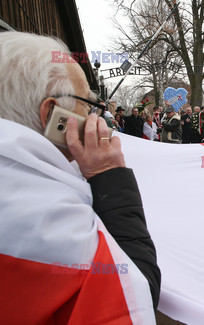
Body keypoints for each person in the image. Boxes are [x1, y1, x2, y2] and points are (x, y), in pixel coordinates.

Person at [0, 31, 159, 322]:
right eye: (87, 104)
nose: (94, 117)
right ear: (52, 116)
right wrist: (109, 176)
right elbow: (134, 296)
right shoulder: (48, 216)